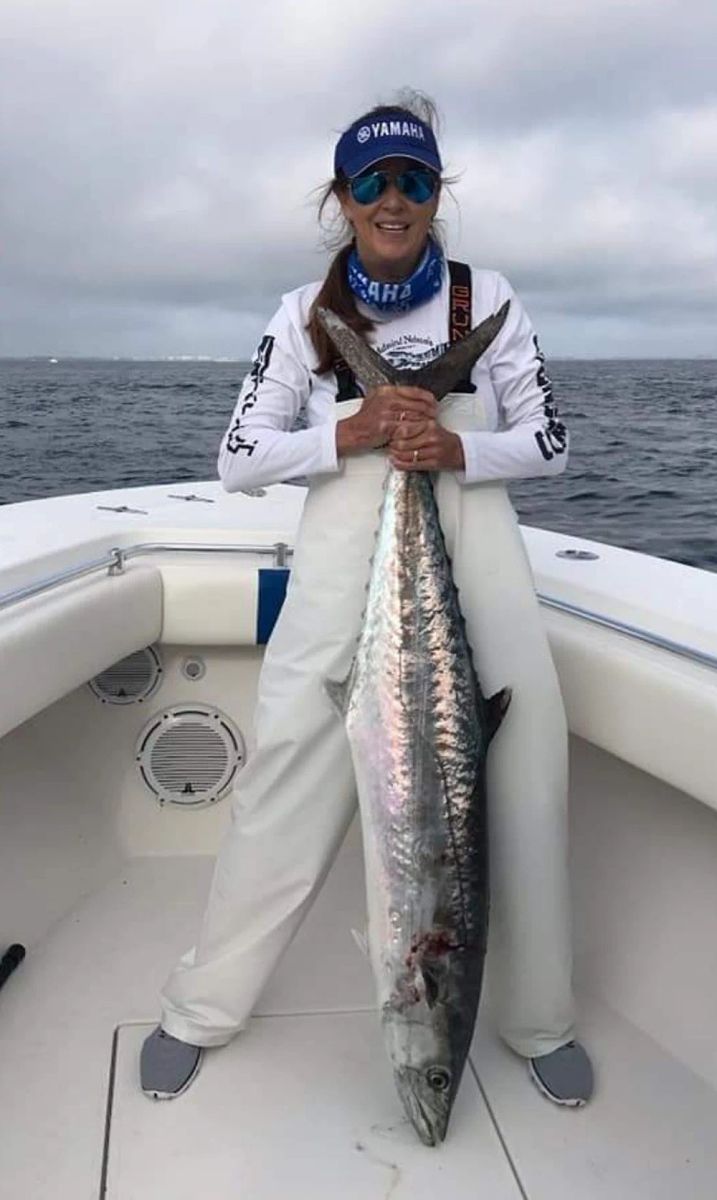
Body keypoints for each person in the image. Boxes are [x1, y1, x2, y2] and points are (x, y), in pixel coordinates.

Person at [140, 92, 593, 1110]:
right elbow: (239, 459)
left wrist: (459, 446)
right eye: (374, 183)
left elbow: (553, 445)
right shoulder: (302, 317)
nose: (396, 201)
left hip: (477, 550)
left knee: (529, 774)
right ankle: (204, 1005)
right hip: (348, 560)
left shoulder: (489, 301)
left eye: (417, 182)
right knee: (288, 778)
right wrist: (348, 434)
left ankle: (539, 1018)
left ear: (438, 194)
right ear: (343, 198)